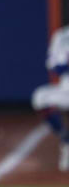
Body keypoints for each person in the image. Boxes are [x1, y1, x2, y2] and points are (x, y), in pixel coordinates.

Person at [31, 25, 69, 171]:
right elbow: (53, 65)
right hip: (66, 89)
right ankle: (66, 140)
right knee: (40, 97)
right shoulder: (62, 35)